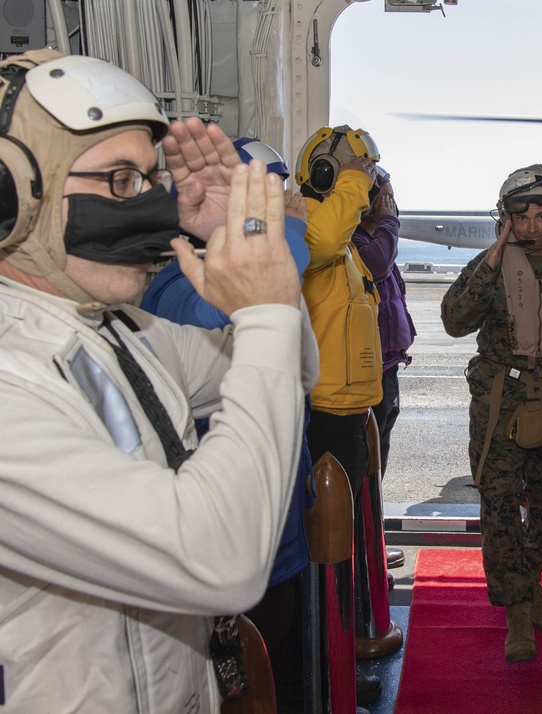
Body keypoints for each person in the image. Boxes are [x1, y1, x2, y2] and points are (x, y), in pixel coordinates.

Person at [0, 50, 316, 711]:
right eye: (119, 182)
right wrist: (260, 307)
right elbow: (219, 559)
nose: (151, 210)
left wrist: (243, 242)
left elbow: (289, 367)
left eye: (150, 182)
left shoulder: (116, 331)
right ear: (13, 199)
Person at [141, 138, 314, 712]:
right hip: (233, 542)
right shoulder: (173, 286)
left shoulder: (257, 272)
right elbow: (239, 314)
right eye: (263, 191)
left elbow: (297, 369)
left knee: (286, 672)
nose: (284, 202)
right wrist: (281, 236)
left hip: (280, 530)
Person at [441, 164, 542, 664]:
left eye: (541, 214)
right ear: (506, 220)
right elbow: (453, 321)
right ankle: (515, 610)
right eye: (521, 217)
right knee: (499, 507)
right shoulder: (489, 266)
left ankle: (532, 582)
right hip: (501, 404)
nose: (532, 226)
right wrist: (490, 262)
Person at [295, 124, 385, 709]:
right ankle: (328, 676)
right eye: (355, 173)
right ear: (325, 173)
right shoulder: (305, 223)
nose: (366, 185)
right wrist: (353, 180)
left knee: (345, 545)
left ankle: (339, 661)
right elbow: (320, 245)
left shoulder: (343, 235)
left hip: (345, 412)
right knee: (329, 550)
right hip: (321, 413)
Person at [350, 165, 416, 571]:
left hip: (386, 368)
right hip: (365, 373)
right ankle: (362, 551)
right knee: (365, 465)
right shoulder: (355, 240)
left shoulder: (374, 237)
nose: (391, 205)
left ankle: (371, 545)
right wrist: (389, 221)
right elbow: (375, 264)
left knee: (377, 463)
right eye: (386, 196)